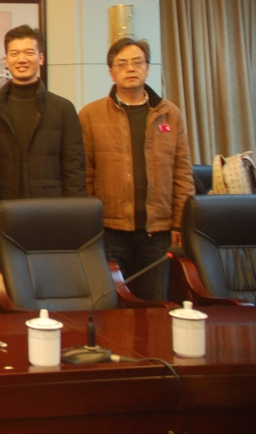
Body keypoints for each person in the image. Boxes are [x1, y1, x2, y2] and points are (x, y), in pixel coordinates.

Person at [0, 24, 85, 314]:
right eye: (14, 53)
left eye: (29, 52)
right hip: (1, 216)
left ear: (40, 58)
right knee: (5, 292)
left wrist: (75, 215)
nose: (22, 59)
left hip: (50, 214)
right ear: (6, 59)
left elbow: (74, 167)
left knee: (50, 290)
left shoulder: (62, 109)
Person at [79, 38, 194, 301]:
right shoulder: (91, 115)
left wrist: (179, 223)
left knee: (154, 306)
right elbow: (85, 174)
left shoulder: (170, 114)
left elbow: (182, 173)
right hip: (109, 231)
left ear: (147, 68)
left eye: (137, 62)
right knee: (110, 303)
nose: (130, 69)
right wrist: (89, 225)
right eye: (122, 64)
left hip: (157, 233)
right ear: (111, 72)